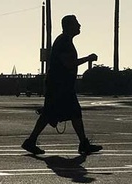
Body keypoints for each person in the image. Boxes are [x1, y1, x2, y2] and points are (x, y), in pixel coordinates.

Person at [21, 15, 102, 157]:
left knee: (62, 113)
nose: (79, 26)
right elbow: (69, 63)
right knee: (61, 113)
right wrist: (88, 59)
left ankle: (82, 142)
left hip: (61, 85)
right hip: (59, 86)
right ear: (69, 26)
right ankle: (32, 141)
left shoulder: (65, 41)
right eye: (77, 23)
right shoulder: (63, 42)